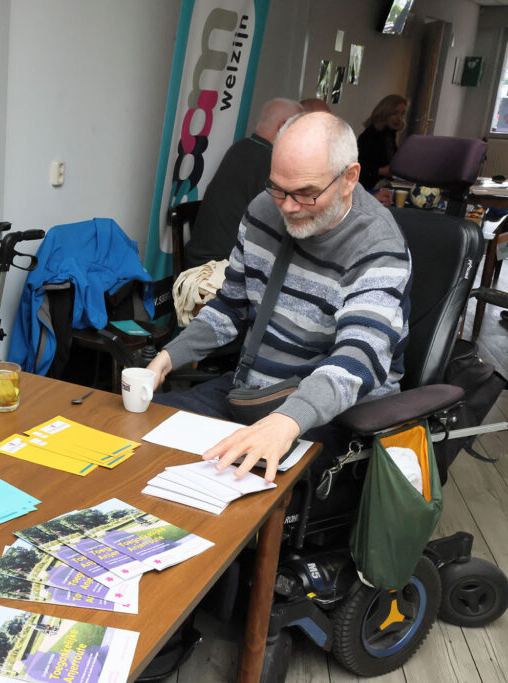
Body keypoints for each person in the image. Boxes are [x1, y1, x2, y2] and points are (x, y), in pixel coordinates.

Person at [147, 112, 411, 482]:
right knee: (143, 439)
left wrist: (286, 421)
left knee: (232, 486)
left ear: (350, 178)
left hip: (332, 411)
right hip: (253, 392)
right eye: (278, 188)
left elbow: (360, 357)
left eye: (306, 193)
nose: (286, 206)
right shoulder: (262, 210)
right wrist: (168, 358)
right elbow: (229, 307)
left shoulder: (378, 247)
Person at [182, 98, 303, 269]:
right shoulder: (267, 162)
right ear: (283, 126)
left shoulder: (242, 148)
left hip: (204, 261)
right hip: (218, 271)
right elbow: (285, 225)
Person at [357, 94, 408, 191]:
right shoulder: (369, 136)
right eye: (395, 113)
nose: (399, 118)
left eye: (402, 114)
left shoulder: (390, 135)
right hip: (369, 188)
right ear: (385, 113)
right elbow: (361, 167)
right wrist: (383, 171)